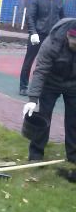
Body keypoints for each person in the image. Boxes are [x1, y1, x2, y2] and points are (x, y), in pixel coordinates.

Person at [22, 18, 76, 164]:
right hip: (51, 82)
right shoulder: (52, 43)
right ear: (68, 36)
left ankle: (73, 156)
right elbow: (40, 71)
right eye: (74, 44)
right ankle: (36, 154)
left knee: (74, 120)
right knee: (43, 118)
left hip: (73, 84)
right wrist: (33, 99)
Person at [19, 0, 65, 97]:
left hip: (52, 37)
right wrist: (33, 33)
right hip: (38, 36)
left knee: (53, 62)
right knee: (29, 61)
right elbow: (30, 17)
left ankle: (49, 87)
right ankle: (23, 87)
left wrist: (62, 32)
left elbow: (62, 18)